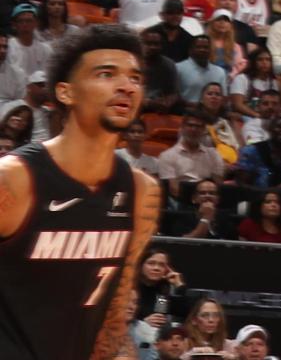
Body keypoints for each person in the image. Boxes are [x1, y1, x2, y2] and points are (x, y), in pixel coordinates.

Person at [0, 24, 162, 359]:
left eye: (135, 78)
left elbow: (114, 317)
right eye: (106, 74)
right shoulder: (14, 180)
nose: (126, 87)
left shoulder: (142, 191)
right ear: (65, 92)